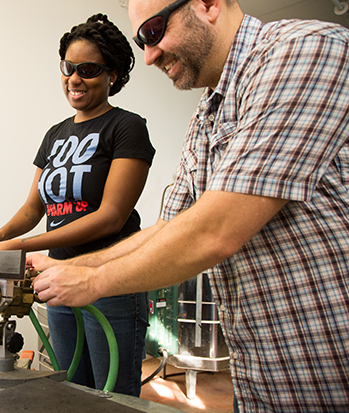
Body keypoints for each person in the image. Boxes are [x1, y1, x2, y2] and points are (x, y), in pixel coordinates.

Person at [30, 0, 349, 411]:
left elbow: (217, 230)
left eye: (154, 31)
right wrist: (66, 266)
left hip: (329, 364)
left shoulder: (303, 50)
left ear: (208, 4)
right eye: (140, 40)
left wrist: (93, 281)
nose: (148, 56)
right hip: (261, 369)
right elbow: (167, 228)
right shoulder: (206, 115)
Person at [0, 14, 155, 396]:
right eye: (69, 67)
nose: (74, 79)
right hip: (57, 281)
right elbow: (35, 209)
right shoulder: (55, 134)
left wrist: (18, 247)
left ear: (112, 74)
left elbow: (110, 217)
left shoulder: (127, 127)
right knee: (70, 390)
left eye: (87, 69)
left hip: (112, 282)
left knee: (113, 396)